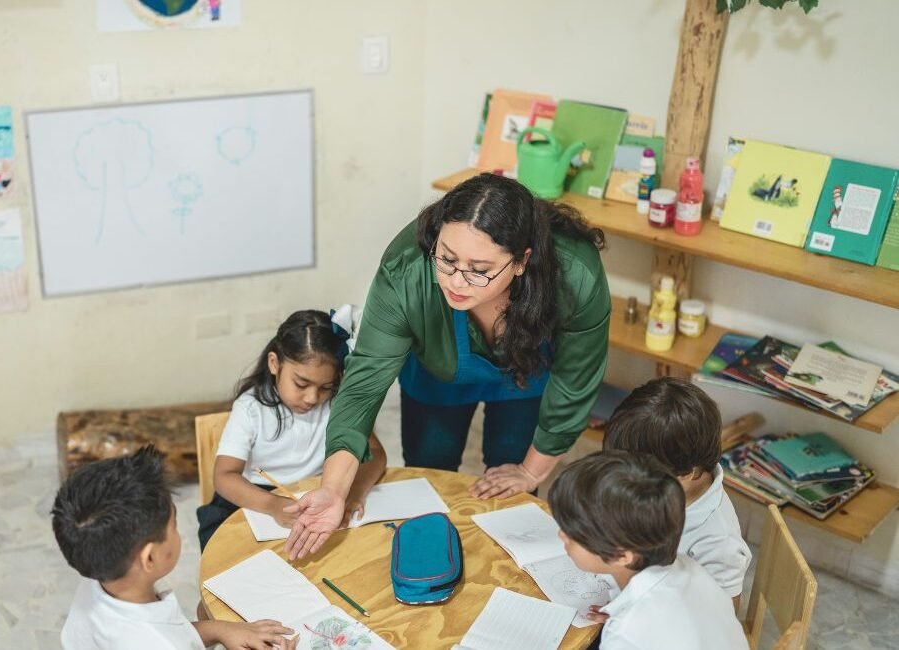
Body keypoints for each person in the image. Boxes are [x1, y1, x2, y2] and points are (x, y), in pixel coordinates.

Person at [286, 173, 611, 559]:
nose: (457, 281)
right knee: (429, 471)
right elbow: (364, 383)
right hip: (435, 378)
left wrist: (532, 471)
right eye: (447, 258)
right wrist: (334, 489)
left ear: (523, 261)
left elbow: (576, 381)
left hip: (525, 376)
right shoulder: (408, 268)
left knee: (512, 487)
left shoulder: (574, 275)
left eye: (480, 269)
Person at [52, 446, 297, 650]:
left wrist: (221, 629)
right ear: (149, 558)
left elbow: (176, 633)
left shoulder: (98, 582)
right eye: (174, 525)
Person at [196, 309, 387, 549]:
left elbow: (376, 454)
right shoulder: (250, 408)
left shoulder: (338, 403)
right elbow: (224, 477)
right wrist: (273, 505)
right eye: (301, 383)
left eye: (326, 386)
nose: (312, 397)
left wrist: (354, 491)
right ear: (274, 363)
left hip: (321, 491)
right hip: (259, 498)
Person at [548, 451, 749, 650]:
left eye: (572, 534)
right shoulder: (689, 567)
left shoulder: (625, 635)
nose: (561, 536)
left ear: (622, 556)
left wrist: (628, 622)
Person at [602, 377, 751, 608]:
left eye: (640, 475)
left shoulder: (719, 545)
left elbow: (717, 623)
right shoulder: (668, 491)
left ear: (690, 472)